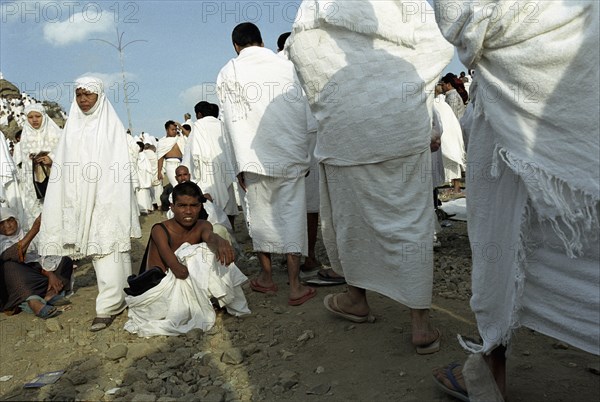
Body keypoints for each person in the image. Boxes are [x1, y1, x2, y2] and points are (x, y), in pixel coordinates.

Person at [432, 1, 599, 400]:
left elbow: (463, 17)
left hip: (511, 117)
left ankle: (491, 373)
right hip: (587, 93)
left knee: (500, 240)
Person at [287, 0, 453, 351]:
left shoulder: (318, 6)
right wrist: (402, 92)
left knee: (350, 222)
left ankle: (355, 297)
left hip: (346, 134)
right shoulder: (406, 6)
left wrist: (340, 100)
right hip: (401, 130)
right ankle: (420, 324)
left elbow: (303, 53)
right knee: (410, 222)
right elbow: (440, 42)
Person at [217, 22, 315, 306]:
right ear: (261, 41)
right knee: (293, 217)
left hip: (253, 159)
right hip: (290, 155)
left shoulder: (229, 71)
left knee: (260, 219)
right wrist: (303, 154)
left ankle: (267, 277)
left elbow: (229, 123)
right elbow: (303, 113)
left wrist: (237, 165)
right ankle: (295, 286)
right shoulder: (287, 67)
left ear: (236, 46)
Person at [37, 76, 141, 332]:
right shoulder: (73, 126)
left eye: (88, 95)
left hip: (106, 197)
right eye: (79, 95)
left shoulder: (110, 126)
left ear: (99, 96)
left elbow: (117, 165)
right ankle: (121, 296)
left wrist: (105, 194)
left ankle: (108, 306)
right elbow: (65, 160)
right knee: (101, 251)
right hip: (80, 197)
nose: (83, 100)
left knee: (109, 248)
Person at [124, 181, 250, 336]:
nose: (188, 211)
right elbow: (180, 271)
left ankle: (225, 301)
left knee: (210, 246)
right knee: (198, 253)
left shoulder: (203, 225)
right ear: (172, 207)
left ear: (200, 207)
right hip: (158, 292)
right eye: (182, 206)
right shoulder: (160, 230)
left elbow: (209, 236)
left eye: (194, 206)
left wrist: (220, 242)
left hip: (183, 285)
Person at [1, 208, 73, 319]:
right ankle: (34, 302)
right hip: (19, 284)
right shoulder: (1, 242)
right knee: (9, 266)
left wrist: (49, 273)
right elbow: (14, 253)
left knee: (65, 260)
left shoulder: (27, 235)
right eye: (1, 223)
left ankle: (51, 294)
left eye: (10, 220)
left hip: (40, 277)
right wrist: (35, 229)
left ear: (17, 220)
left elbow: (41, 257)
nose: (7, 225)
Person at [184, 101, 239, 229]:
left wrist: (196, 175)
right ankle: (231, 234)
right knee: (229, 204)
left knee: (210, 207)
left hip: (207, 172)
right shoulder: (222, 124)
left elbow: (194, 152)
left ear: (199, 114)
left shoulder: (198, 125)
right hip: (226, 170)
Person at [18, 104, 62, 231]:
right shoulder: (26, 135)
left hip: (55, 179)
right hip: (34, 184)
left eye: (38, 116)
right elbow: (24, 160)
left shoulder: (56, 133)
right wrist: (31, 159)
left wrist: (52, 159)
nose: (34, 120)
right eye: (30, 117)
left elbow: (66, 153)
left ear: (44, 116)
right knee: (36, 213)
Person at [156, 120, 186, 187]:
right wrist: (159, 172)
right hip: (170, 165)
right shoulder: (162, 142)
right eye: (172, 129)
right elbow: (160, 158)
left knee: (184, 185)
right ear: (167, 130)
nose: (174, 131)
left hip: (181, 164)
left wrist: (180, 127)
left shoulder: (179, 137)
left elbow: (189, 135)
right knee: (176, 186)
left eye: (175, 129)